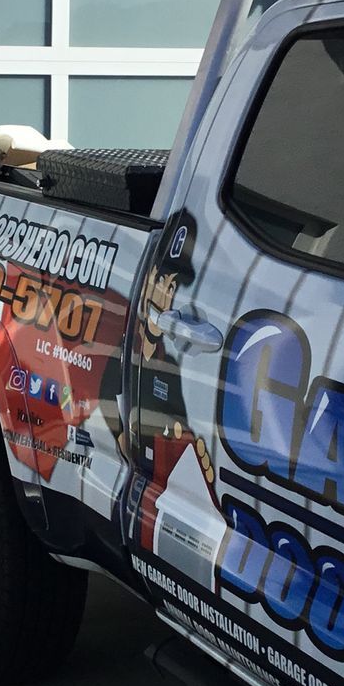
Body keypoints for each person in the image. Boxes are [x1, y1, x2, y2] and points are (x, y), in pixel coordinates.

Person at [97, 211, 214, 549]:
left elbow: (179, 426)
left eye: (172, 286)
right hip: (129, 486)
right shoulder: (123, 347)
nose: (164, 294)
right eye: (161, 282)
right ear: (146, 279)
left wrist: (191, 449)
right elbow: (106, 395)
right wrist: (119, 436)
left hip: (157, 495)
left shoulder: (170, 366)